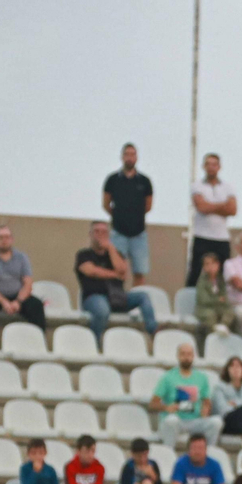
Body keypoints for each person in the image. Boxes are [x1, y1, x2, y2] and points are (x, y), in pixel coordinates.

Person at [76, 220, 157, 341]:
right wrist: (114, 274)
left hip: (117, 297)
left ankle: (154, 331)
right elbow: (91, 271)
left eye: (104, 232)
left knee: (143, 296)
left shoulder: (115, 254)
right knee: (102, 310)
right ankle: (94, 343)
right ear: (90, 234)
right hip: (94, 297)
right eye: (97, 231)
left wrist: (110, 247)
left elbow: (122, 271)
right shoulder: (83, 254)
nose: (100, 235)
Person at [151, 342, 222, 449]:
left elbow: (206, 402)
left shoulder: (202, 378)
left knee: (216, 422)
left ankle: (209, 452)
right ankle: (169, 452)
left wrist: (206, 409)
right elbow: (153, 404)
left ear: (193, 356)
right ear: (178, 356)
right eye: (183, 354)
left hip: (195, 420)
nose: (186, 357)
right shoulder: (168, 377)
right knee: (171, 421)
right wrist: (166, 407)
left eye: (189, 354)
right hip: (176, 420)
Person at [0, 225, 45, 328]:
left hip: (17, 296)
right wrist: (4, 302)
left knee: (36, 305)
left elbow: (28, 284)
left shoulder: (22, 257)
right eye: (0, 237)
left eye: (7, 237)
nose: (4, 240)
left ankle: (38, 336)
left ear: (12, 239)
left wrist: (18, 302)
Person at [102, 143, 153, 286]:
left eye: (132, 154)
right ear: (122, 157)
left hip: (139, 234)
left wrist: (135, 216)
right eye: (127, 154)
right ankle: (118, 296)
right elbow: (106, 204)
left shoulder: (144, 181)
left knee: (140, 271)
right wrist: (119, 216)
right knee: (117, 269)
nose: (129, 158)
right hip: (118, 233)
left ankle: (137, 296)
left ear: (136, 157)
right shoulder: (112, 180)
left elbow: (148, 206)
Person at [186, 152, 237, 287]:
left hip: (221, 238)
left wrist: (210, 205)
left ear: (219, 167)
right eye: (208, 164)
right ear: (203, 166)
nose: (211, 167)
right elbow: (201, 207)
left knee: (223, 274)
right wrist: (222, 205)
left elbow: (232, 210)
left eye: (214, 164)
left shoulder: (227, 187)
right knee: (195, 273)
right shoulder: (197, 185)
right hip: (202, 236)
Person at [193, 252, 237, 340]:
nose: (210, 267)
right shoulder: (202, 281)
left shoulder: (221, 280)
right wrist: (217, 299)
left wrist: (223, 301)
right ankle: (214, 336)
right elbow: (203, 299)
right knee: (210, 315)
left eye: (213, 263)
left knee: (230, 312)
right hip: (204, 309)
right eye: (207, 264)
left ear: (218, 265)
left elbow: (224, 297)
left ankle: (223, 327)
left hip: (219, 307)